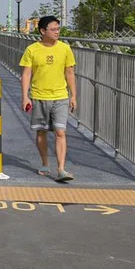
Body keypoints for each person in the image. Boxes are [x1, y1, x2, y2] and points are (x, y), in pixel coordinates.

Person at [19, 15, 77, 182]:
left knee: (60, 131)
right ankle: (45, 163)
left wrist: (73, 96)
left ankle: (61, 169)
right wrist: (25, 97)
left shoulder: (65, 48)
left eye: (58, 29)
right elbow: (26, 74)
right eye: (53, 29)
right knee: (41, 132)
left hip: (60, 96)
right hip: (39, 96)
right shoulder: (32, 50)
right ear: (43, 31)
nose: (57, 32)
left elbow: (70, 73)